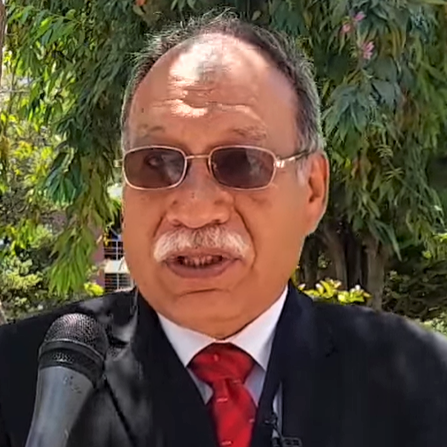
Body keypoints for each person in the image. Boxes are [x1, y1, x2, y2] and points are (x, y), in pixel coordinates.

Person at [1, 12, 446, 447]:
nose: (195, 209)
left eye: (242, 162)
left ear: (312, 190)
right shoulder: (18, 380)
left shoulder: (425, 383)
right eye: (156, 163)